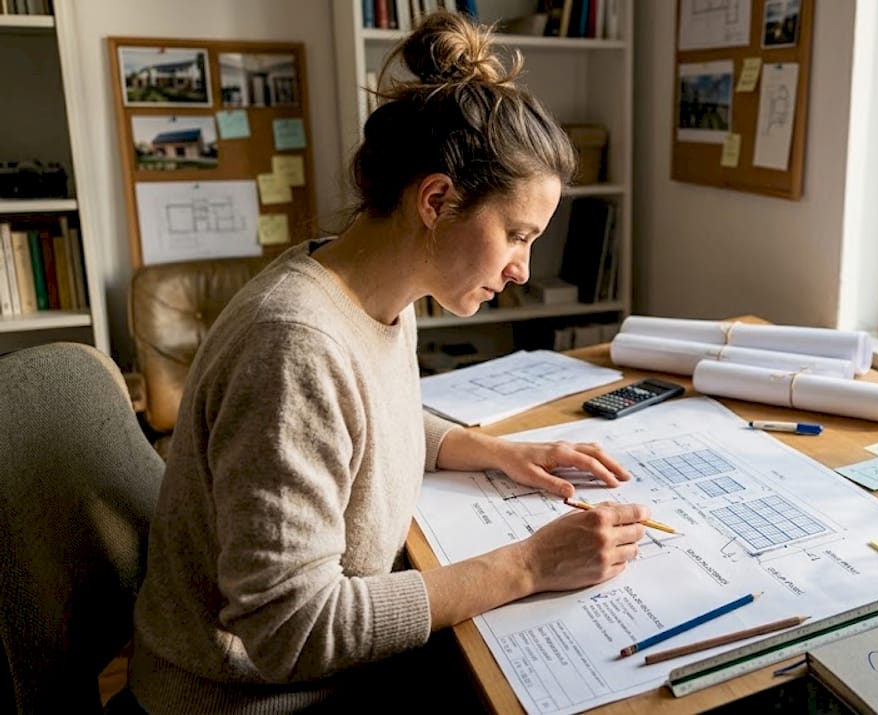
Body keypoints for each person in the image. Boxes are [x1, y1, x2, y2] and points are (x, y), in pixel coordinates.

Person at [126, 12, 650, 712]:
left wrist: (490, 450)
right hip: (245, 697)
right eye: (517, 235)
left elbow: (366, 418)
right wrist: (529, 563)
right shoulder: (294, 346)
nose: (523, 269)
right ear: (437, 199)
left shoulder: (367, 285)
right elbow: (291, 628)